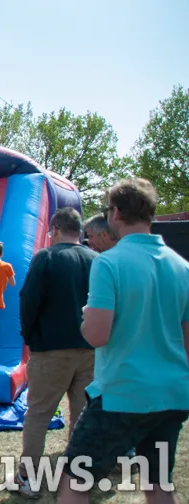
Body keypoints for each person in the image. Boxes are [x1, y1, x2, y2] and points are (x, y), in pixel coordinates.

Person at [58, 179, 189, 504]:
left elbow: (97, 335)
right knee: (158, 483)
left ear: (115, 213)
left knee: (74, 481)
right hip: (171, 395)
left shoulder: (109, 262)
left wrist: (88, 315)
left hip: (122, 394)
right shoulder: (182, 266)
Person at [14, 208, 97, 498]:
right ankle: (78, 474)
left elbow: (28, 301)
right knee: (82, 414)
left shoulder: (46, 258)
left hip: (51, 349)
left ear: (56, 230)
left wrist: (30, 337)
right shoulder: (96, 260)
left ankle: (28, 478)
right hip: (90, 350)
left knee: (38, 414)